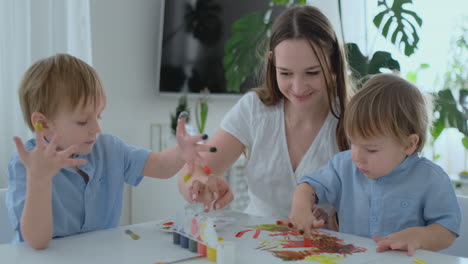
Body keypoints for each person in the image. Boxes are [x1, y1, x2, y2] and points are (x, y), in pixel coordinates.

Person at [6, 53, 215, 249]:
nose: (97, 128)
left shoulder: (108, 148)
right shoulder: (27, 165)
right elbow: (37, 242)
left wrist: (180, 151)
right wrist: (39, 180)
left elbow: (160, 165)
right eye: (82, 121)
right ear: (43, 124)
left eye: (99, 116)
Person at [178, 5, 353, 225]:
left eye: (312, 72)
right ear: (272, 62)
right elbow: (193, 170)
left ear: (333, 65)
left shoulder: (354, 120)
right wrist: (199, 185)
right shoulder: (254, 109)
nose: (298, 88)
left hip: (324, 253)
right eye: (286, 73)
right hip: (255, 244)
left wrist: (335, 220)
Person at [289, 73, 461, 256]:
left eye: (371, 149)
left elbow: (447, 232)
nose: (356, 157)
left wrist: (419, 236)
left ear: (409, 145)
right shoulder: (344, 166)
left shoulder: (431, 179)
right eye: (352, 142)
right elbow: (309, 186)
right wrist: (300, 207)